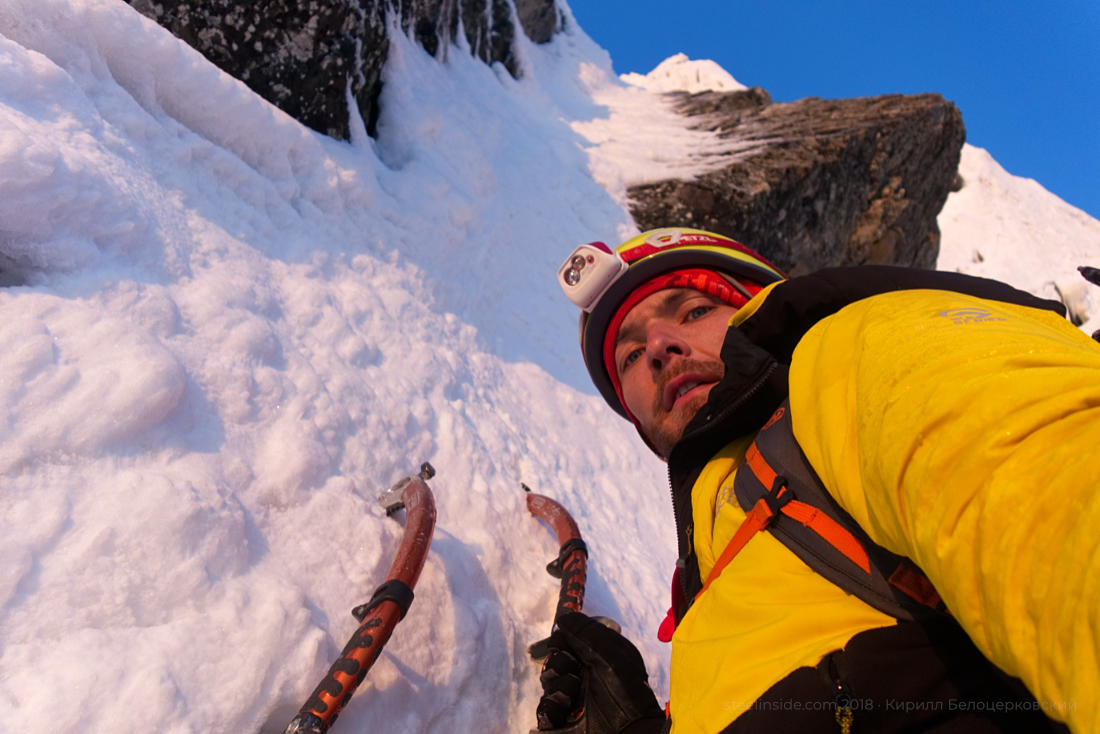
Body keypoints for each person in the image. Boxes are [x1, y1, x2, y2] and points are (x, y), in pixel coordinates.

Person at [536, 227, 1100, 733]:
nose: (659, 348)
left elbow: (1057, 506)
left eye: (694, 310)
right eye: (631, 355)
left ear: (759, 311)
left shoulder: (853, 358)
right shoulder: (715, 546)